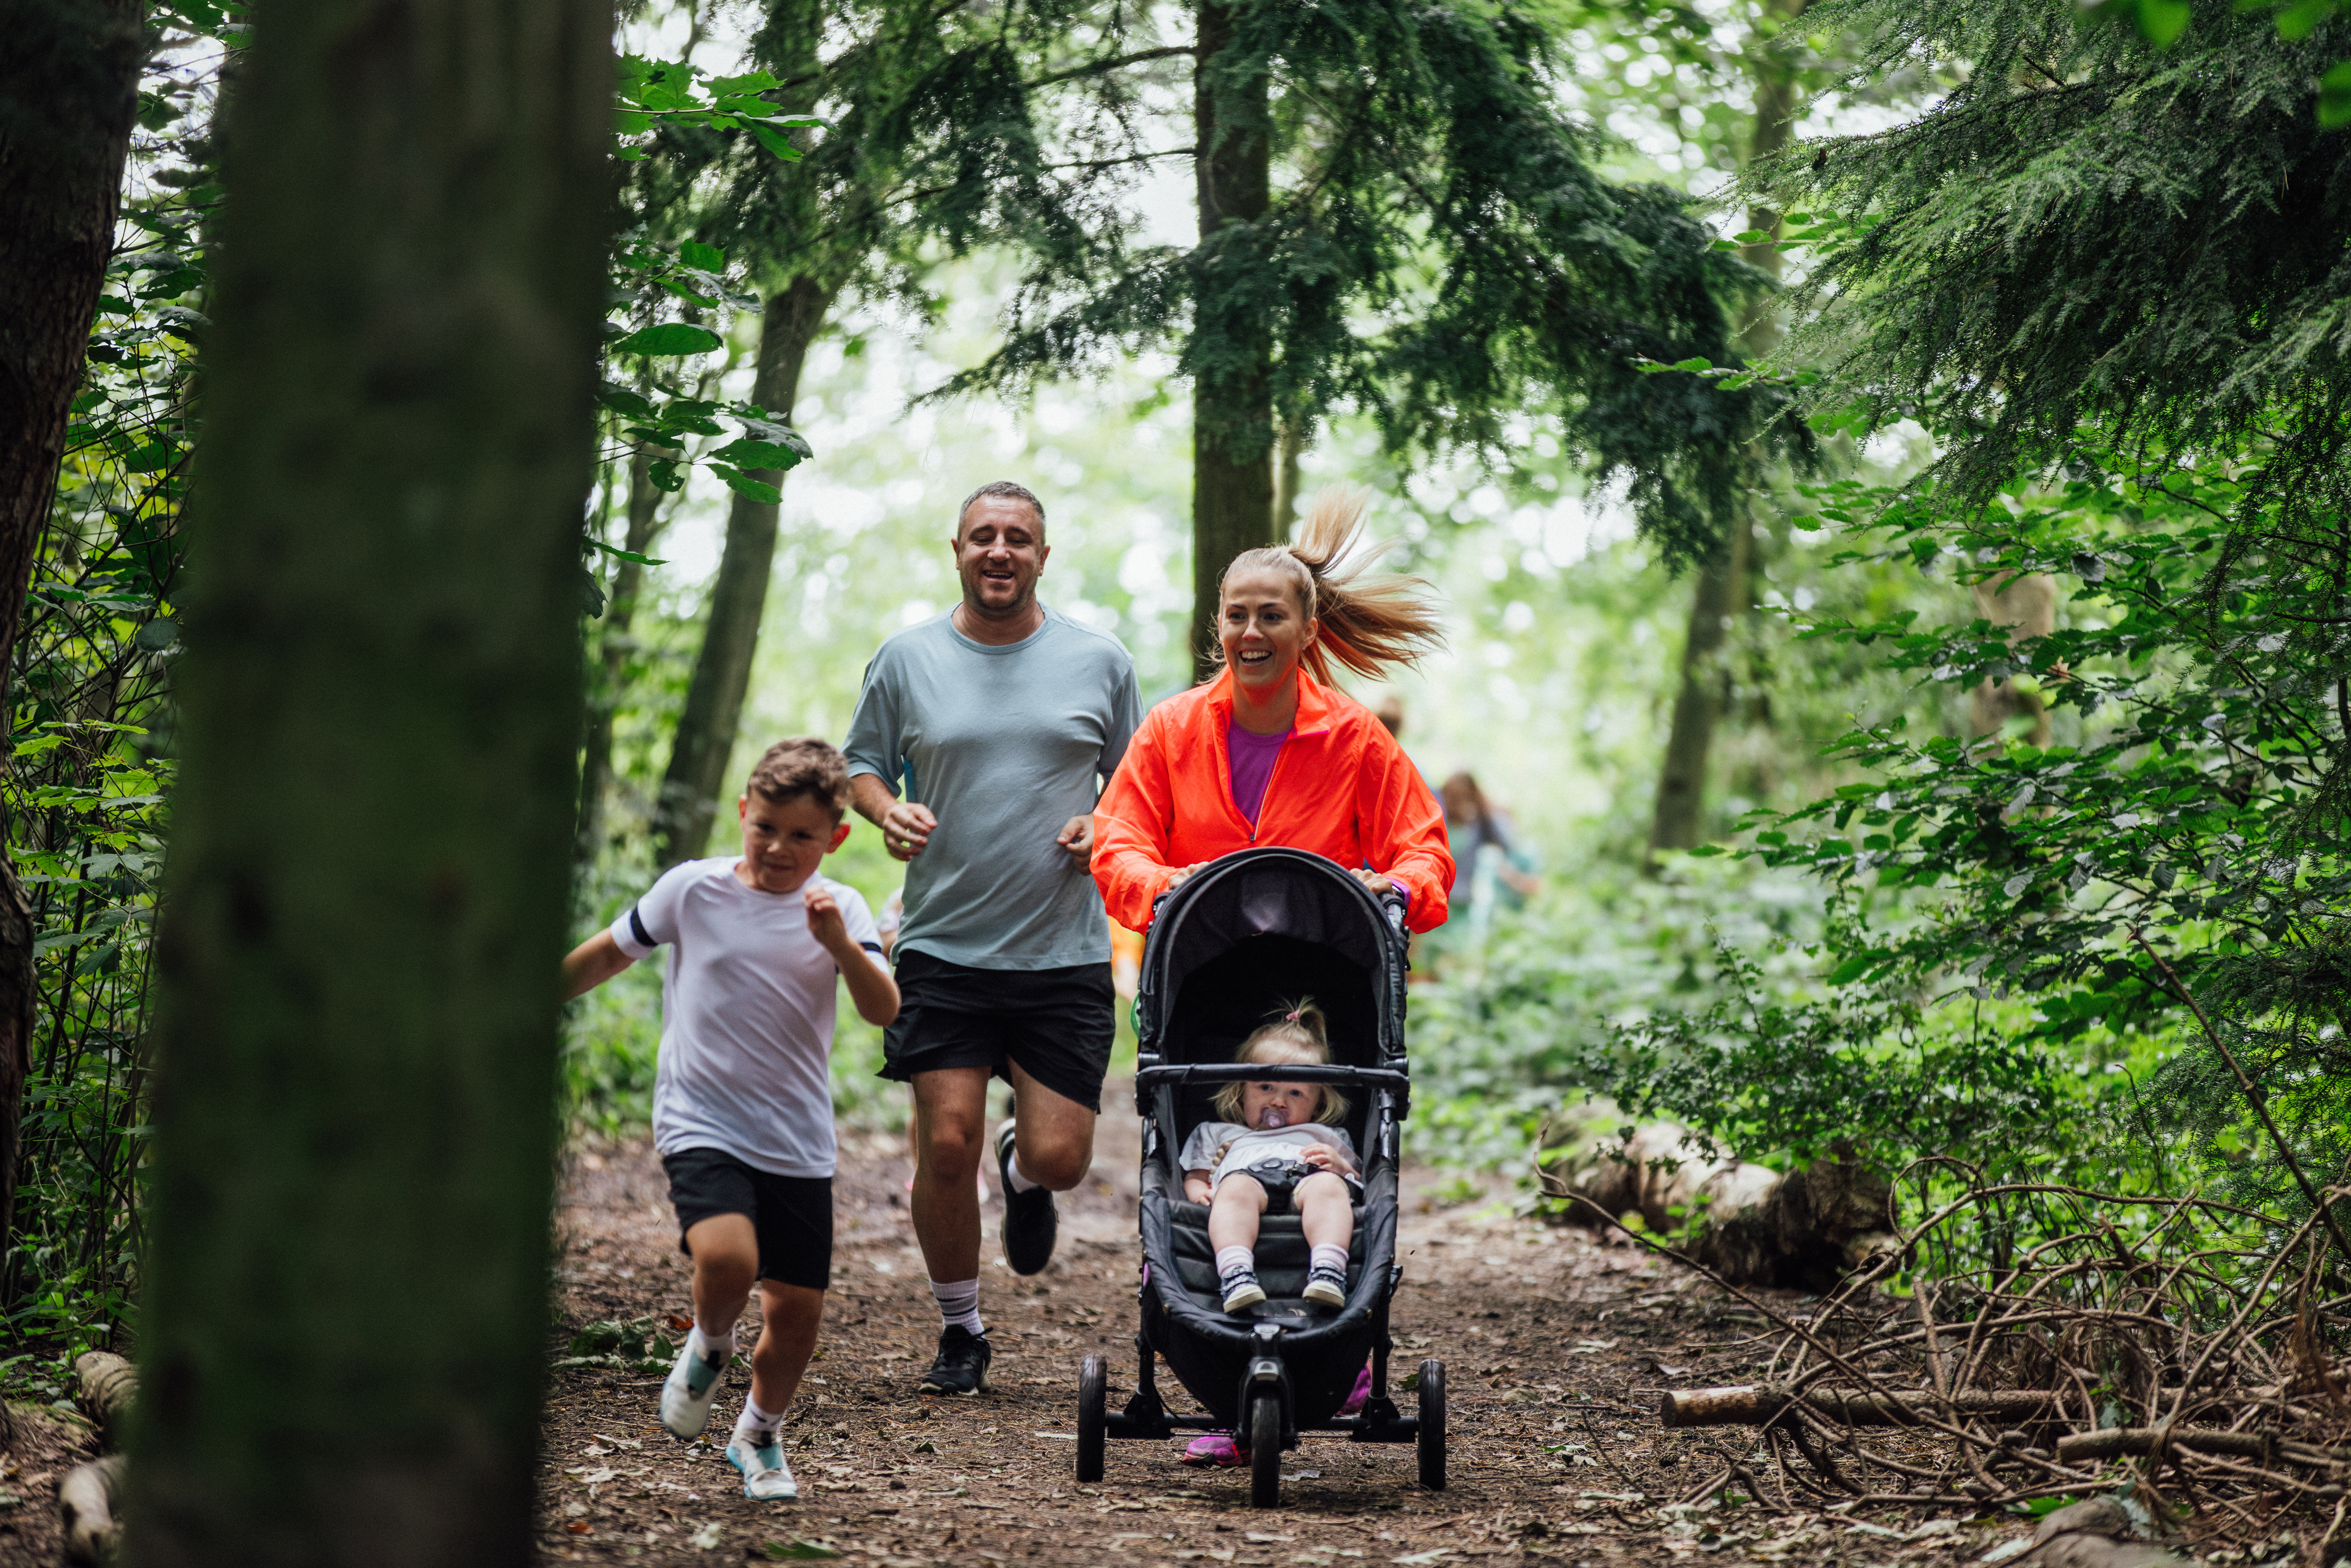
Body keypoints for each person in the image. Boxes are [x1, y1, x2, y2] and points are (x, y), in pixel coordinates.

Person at [843, 479, 1141, 1399]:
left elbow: (1138, 784)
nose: (1000, 551)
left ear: (1043, 556)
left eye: (1018, 538)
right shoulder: (907, 658)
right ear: (958, 550)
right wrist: (888, 811)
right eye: (983, 537)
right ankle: (962, 1330)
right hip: (943, 948)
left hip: (1062, 952)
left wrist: (1106, 825)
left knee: (1061, 1159)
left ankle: (1022, 1170)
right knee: (943, 1145)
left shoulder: (1100, 660)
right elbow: (861, 763)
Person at [560, 739, 898, 1501]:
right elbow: (610, 956)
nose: (780, 848)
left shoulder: (840, 908)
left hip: (796, 1137)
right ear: (744, 814)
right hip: (699, 1116)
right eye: (766, 827)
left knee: (798, 1312)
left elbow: (885, 1008)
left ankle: (759, 1436)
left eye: (802, 836)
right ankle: (709, 1345)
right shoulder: (693, 890)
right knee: (727, 1261)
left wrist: (841, 948)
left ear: (835, 839)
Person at [1091, 482, 1455, 934]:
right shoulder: (1170, 728)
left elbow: (1426, 849)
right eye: (1237, 616)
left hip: (1319, 982)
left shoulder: (1355, 737)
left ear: (1308, 631)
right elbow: (1116, 843)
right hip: (1193, 977)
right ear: (1219, 623)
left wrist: (1398, 888)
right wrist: (1163, 883)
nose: (1251, 633)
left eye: (1272, 616)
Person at [1179, 1001, 1359, 1312]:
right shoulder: (1219, 1133)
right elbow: (1195, 1176)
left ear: (1316, 1104)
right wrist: (1200, 1195)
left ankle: (1329, 1270)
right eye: (1265, 1087)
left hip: (1307, 1182)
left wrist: (1340, 1166)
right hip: (1247, 1184)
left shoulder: (1326, 1136)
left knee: (1330, 1188)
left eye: (1295, 1093)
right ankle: (1236, 1274)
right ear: (1242, 1090)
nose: (1277, 1101)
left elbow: (1356, 1183)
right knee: (1234, 1191)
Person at [1438, 771, 1540, 935]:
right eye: (1454, 801)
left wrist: (1520, 881)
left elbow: (1504, 850)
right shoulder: (1437, 818)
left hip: (1461, 901)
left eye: (1463, 801)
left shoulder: (1479, 824)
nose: (1458, 807)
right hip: (1436, 898)